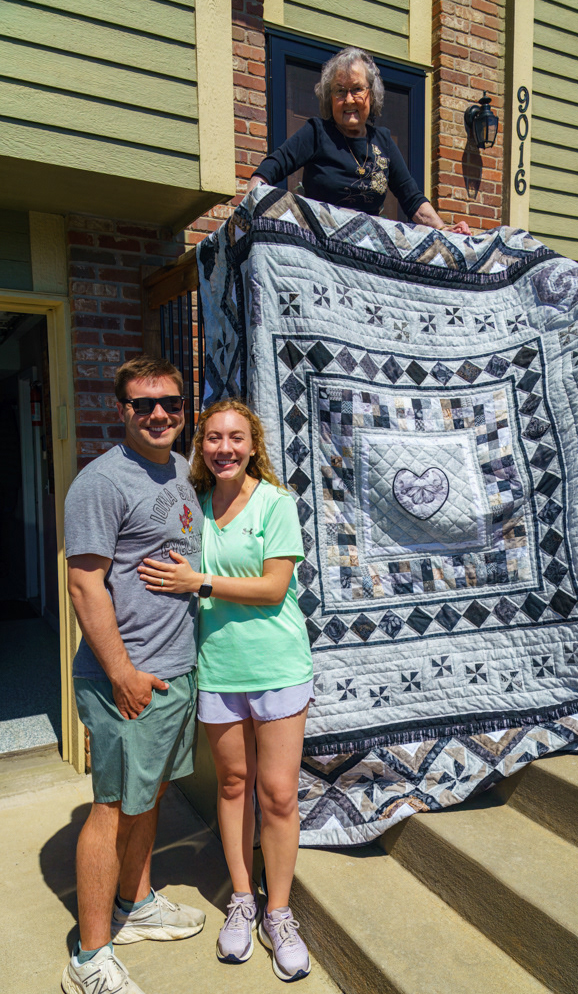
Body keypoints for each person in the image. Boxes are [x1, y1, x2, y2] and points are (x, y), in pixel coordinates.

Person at [137, 399, 314, 983]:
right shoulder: (193, 507)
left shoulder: (276, 503)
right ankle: (243, 898)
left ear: (253, 444)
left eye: (236, 438)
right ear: (201, 446)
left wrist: (200, 581)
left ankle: (279, 913)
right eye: (214, 438)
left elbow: (272, 587)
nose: (224, 449)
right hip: (217, 668)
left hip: (278, 667)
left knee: (279, 794)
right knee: (234, 784)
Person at [62, 356, 207, 994]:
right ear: (121, 409)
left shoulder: (181, 469)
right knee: (113, 807)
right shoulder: (101, 482)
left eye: (170, 404)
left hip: (173, 671)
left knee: (149, 796)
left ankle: (136, 901)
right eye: (143, 404)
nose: (158, 415)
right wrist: (121, 671)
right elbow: (82, 581)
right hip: (125, 678)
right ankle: (90, 958)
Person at [249, 45, 470, 235]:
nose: (348, 100)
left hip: (366, 251)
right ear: (329, 97)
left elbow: (412, 199)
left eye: (357, 89)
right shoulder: (317, 132)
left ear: (371, 95)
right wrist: (250, 203)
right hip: (321, 245)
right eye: (339, 91)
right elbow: (271, 167)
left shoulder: (383, 141)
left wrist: (442, 231)